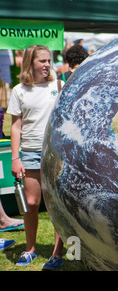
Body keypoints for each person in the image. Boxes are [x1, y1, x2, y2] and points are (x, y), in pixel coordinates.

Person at [7, 45, 64, 269]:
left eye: (49, 60)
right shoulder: (19, 91)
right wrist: (15, 158)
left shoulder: (58, 84)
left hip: (55, 152)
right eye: (42, 61)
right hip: (30, 152)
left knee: (57, 204)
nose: (47, 65)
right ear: (30, 63)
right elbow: (16, 127)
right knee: (30, 203)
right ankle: (30, 248)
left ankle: (57, 253)